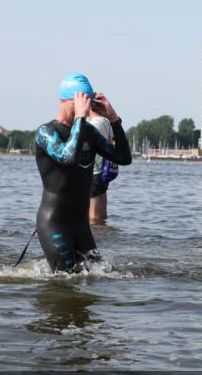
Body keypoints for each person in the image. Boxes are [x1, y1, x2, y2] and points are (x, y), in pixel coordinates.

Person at [35, 73, 132, 273]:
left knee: (101, 276)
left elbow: (124, 157)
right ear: (68, 100)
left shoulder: (88, 132)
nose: (88, 107)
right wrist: (80, 117)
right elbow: (68, 157)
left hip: (80, 225)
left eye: (89, 101)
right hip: (54, 223)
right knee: (66, 282)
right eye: (84, 101)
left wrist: (114, 119)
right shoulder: (46, 132)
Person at [88, 110, 118, 224]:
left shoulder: (92, 125)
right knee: (102, 210)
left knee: (93, 215)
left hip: (94, 171)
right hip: (105, 170)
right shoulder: (106, 122)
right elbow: (113, 140)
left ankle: (97, 235)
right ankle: (104, 230)